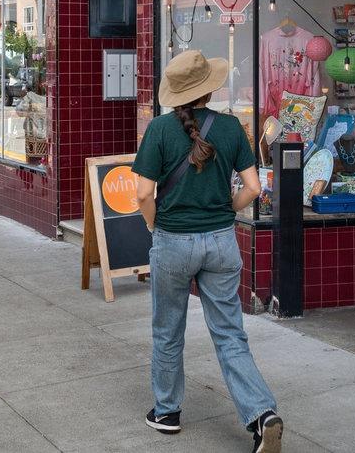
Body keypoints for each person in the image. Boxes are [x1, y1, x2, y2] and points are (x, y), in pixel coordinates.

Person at [132, 50, 283, 453]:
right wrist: (225, 211)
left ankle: (166, 412)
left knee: (167, 330)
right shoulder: (232, 128)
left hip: (173, 242)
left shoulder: (161, 129)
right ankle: (261, 414)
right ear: (208, 89)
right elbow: (253, 188)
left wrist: (153, 223)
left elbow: (143, 193)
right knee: (230, 334)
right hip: (221, 242)